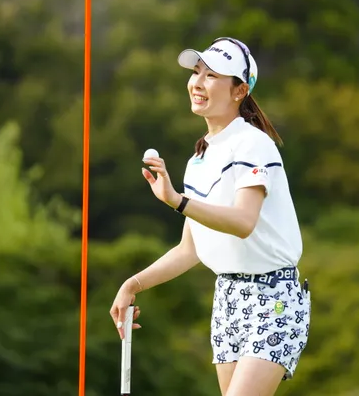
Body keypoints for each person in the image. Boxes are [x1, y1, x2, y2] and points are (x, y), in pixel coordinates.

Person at [109, 37, 311, 396]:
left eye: (212, 75)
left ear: (239, 91)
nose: (198, 82)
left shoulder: (253, 143)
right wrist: (132, 285)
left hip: (274, 296)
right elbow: (190, 250)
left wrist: (178, 201)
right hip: (227, 297)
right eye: (197, 72)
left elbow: (243, 222)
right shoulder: (199, 160)